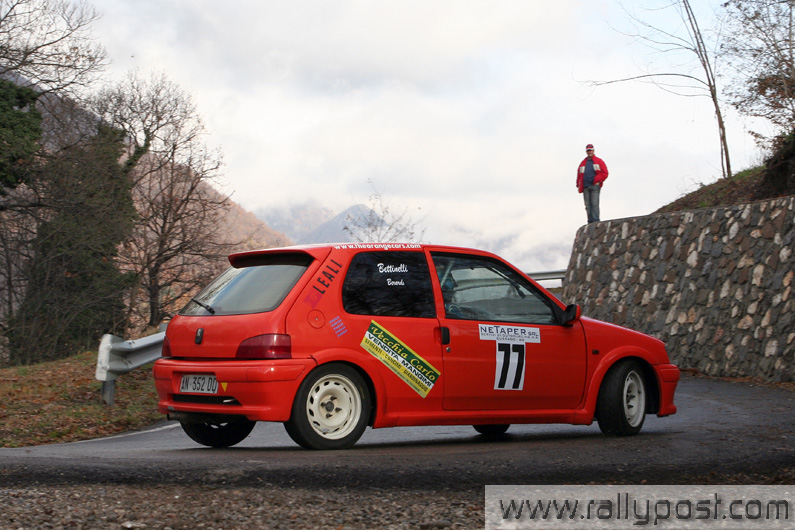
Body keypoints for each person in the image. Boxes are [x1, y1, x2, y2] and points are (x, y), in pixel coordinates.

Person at [576, 143, 609, 223]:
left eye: (590, 150)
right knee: (588, 205)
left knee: (594, 204)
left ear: (593, 150)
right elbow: (579, 174)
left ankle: (595, 221)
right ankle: (590, 221)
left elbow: (605, 173)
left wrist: (597, 180)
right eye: (588, 150)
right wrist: (578, 184)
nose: (589, 152)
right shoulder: (583, 163)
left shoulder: (599, 161)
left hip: (595, 185)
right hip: (585, 186)